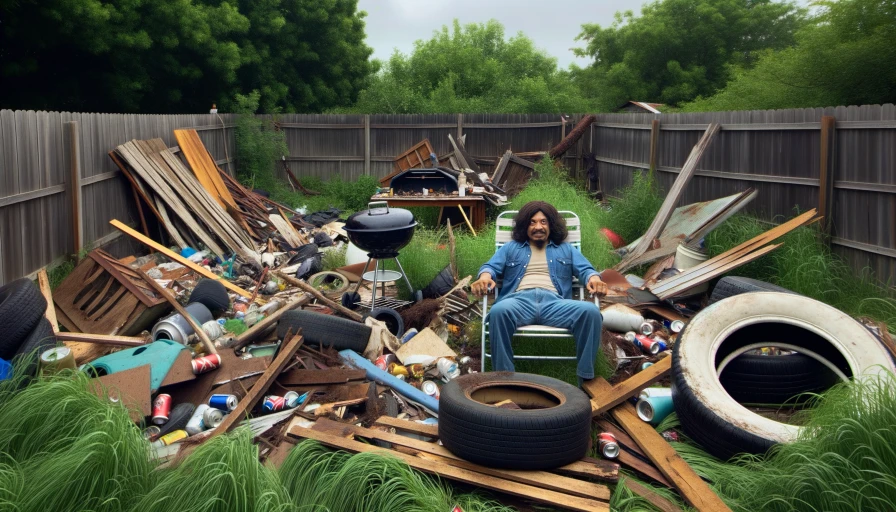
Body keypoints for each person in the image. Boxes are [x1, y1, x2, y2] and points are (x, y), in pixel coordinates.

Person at [471, 201, 608, 385]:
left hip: (555, 304)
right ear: (524, 226)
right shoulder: (511, 248)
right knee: (498, 311)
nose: (538, 227)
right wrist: (485, 277)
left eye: (543, 222)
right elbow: (490, 267)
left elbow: (586, 270)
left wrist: (595, 280)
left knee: (591, 313)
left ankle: (586, 381)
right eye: (532, 222)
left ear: (551, 225)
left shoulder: (565, 249)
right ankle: (504, 380)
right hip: (518, 302)